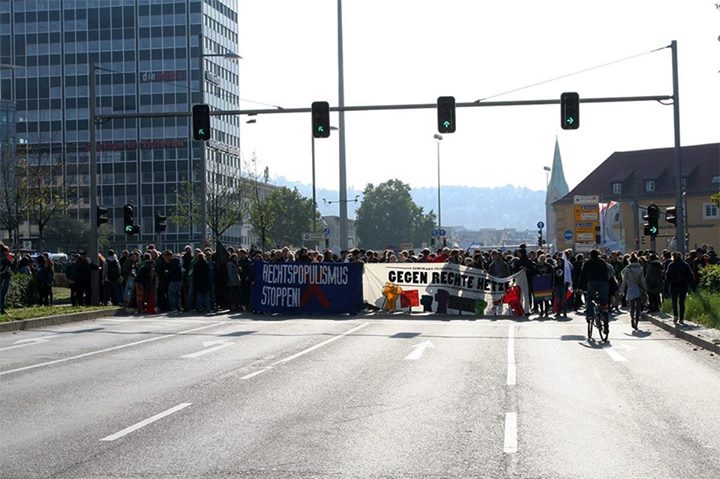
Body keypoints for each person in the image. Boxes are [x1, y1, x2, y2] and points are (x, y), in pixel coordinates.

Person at [579, 249, 611, 321]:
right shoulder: (602, 262)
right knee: (604, 299)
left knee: (590, 298)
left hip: (592, 282)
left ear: (590, 255)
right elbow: (607, 273)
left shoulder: (588, 263)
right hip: (603, 282)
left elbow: (583, 275)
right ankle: (605, 313)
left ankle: (590, 315)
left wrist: (580, 287)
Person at [665, 252, 694, 325]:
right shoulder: (685, 265)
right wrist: (689, 284)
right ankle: (681, 319)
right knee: (682, 302)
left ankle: (675, 316)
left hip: (674, 285)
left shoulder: (671, 265)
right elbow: (690, 275)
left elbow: (667, 276)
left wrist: (668, 284)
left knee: (674, 302)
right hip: (683, 285)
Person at [621, 254, 647, 329]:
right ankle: (637, 322)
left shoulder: (627, 270)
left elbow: (624, 281)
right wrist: (645, 289)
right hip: (638, 290)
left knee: (632, 307)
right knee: (638, 307)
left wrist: (622, 290)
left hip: (630, 290)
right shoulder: (640, 269)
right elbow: (643, 281)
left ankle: (632, 318)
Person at [0, 244, 14, 314]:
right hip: (5, 277)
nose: (9, 252)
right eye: (8, 251)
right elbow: (13, 265)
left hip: (2, 276)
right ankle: (2, 309)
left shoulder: (2, 258)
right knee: (3, 293)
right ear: (5, 251)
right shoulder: (6, 258)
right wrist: (11, 257)